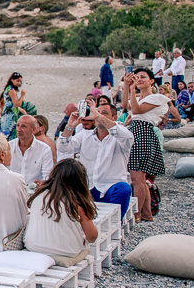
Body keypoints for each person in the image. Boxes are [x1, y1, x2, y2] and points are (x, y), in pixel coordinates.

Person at [56, 103, 134, 220]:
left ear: (114, 118)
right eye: (97, 112)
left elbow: (126, 136)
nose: (98, 115)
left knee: (124, 189)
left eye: (104, 113)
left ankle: (116, 223)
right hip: (88, 189)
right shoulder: (85, 135)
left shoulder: (121, 136)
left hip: (110, 188)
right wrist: (70, 126)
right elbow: (64, 148)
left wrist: (97, 115)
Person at [24, 159, 99, 258]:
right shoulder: (76, 203)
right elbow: (92, 237)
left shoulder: (38, 195)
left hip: (33, 247)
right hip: (66, 251)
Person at [122, 68, 170, 222]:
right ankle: (147, 214)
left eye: (143, 77)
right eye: (137, 77)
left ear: (152, 81)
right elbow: (125, 105)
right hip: (135, 133)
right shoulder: (138, 98)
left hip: (143, 134)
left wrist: (132, 89)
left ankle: (137, 213)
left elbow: (136, 109)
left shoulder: (157, 98)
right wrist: (126, 87)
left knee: (137, 178)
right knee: (139, 178)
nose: (139, 79)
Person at [8, 115, 54, 185]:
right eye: (18, 125)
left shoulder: (45, 149)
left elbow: (47, 177)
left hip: (34, 192)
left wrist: (41, 183)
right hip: (12, 190)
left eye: (23, 126)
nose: (19, 129)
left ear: (33, 129)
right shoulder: (9, 146)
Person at [0, 72, 26, 140]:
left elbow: (10, 104)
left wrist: (22, 110)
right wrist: (22, 95)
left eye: (20, 81)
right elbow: (16, 104)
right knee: (8, 136)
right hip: (9, 117)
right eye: (17, 81)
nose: (19, 83)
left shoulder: (8, 89)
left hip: (8, 115)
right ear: (12, 80)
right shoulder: (11, 90)